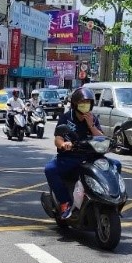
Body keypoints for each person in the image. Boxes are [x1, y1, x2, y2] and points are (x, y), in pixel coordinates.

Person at [44, 87, 104, 220]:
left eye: (88, 102)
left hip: (90, 157)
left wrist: (91, 125)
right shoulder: (66, 118)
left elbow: (101, 138)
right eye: (82, 102)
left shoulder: (92, 118)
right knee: (50, 169)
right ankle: (64, 202)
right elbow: (58, 139)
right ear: (75, 104)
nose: (85, 105)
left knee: (115, 165)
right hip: (70, 157)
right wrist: (63, 144)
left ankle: (111, 198)